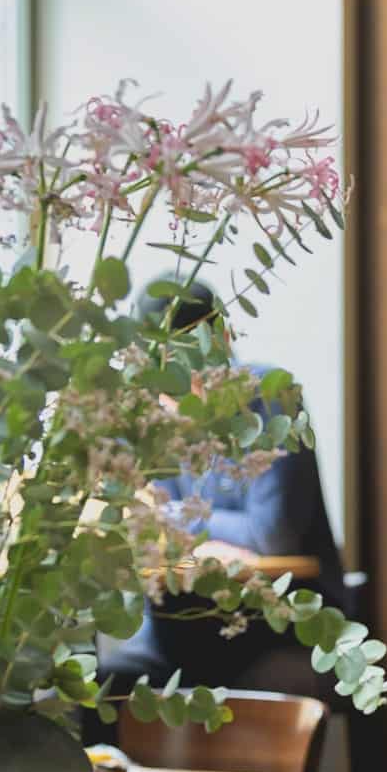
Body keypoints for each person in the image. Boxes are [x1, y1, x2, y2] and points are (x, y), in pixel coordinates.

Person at [93, 276, 351, 702]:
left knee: (212, 686)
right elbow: (129, 518)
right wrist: (199, 537)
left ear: (225, 342)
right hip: (174, 625)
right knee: (101, 687)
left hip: (276, 621)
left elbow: (272, 536)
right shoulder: (147, 416)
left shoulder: (273, 398)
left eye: (189, 368)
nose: (178, 391)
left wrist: (172, 520)